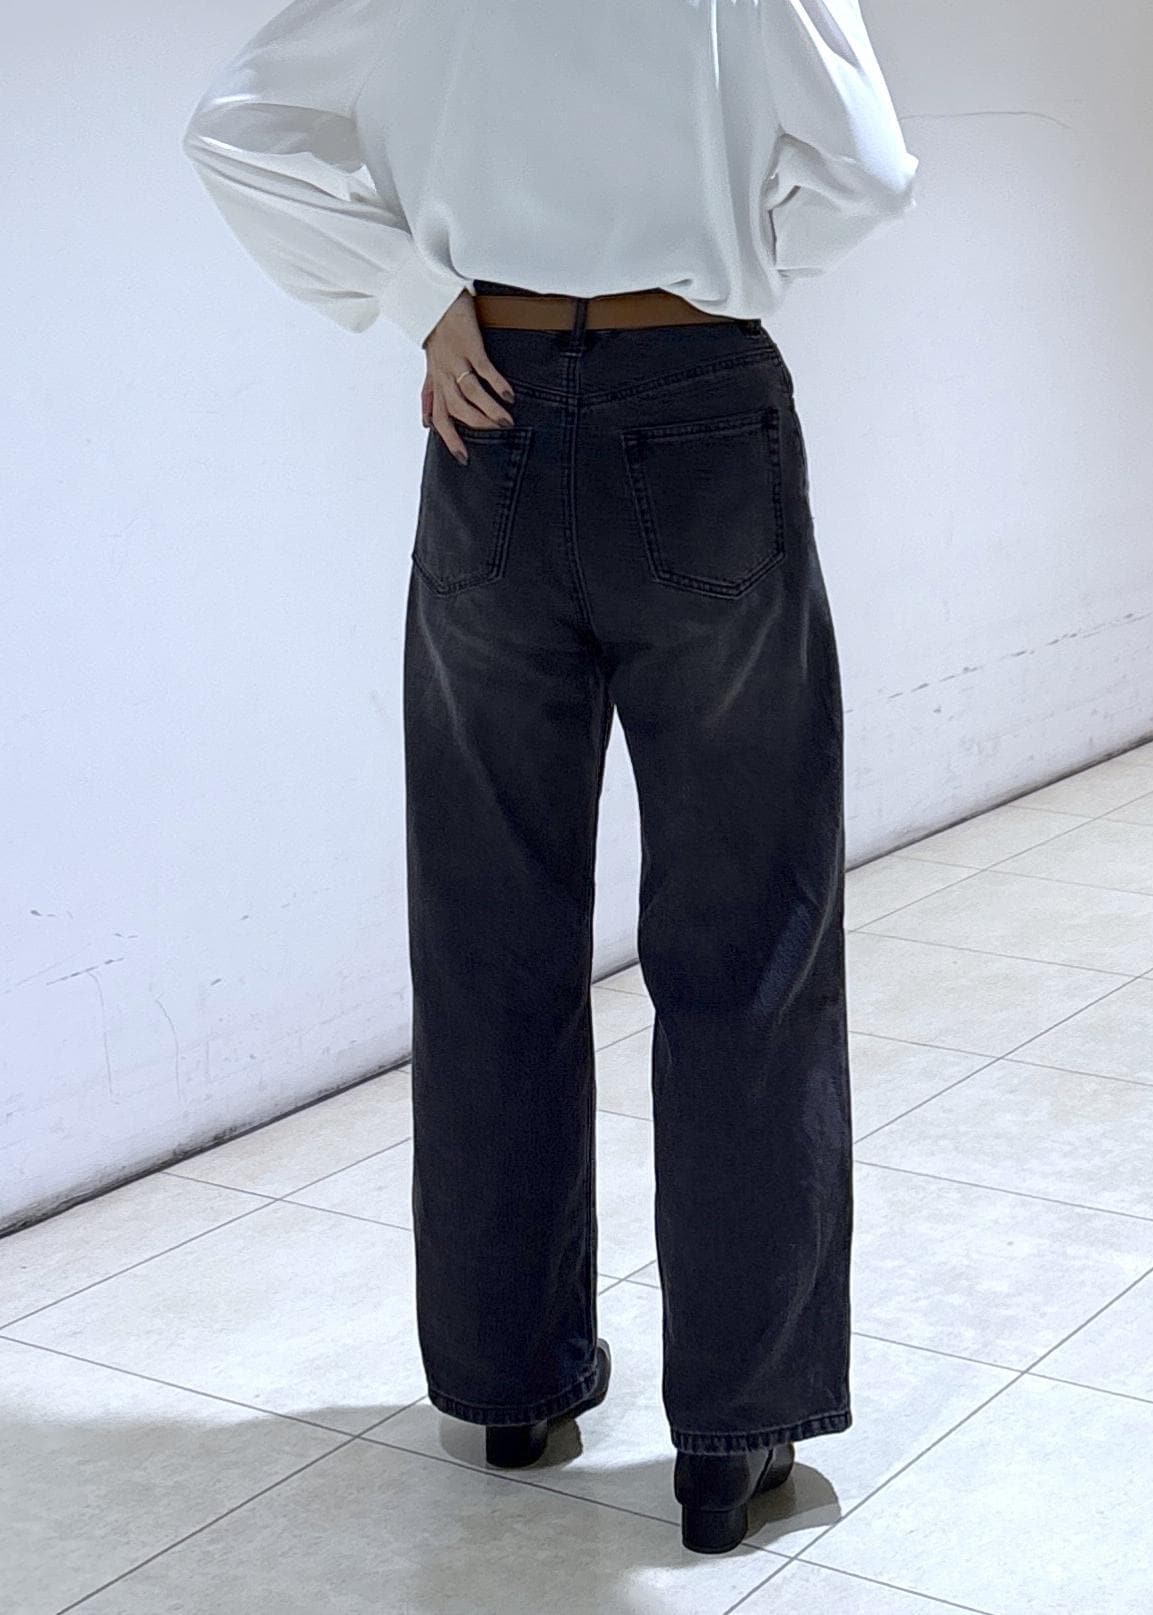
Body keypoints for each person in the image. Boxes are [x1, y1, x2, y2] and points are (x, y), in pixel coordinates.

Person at [183, 0, 918, 1555]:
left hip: (488, 404)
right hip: (696, 401)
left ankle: (505, 1387)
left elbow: (235, 129)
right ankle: (735, 1432)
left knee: (486, 931)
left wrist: (416, 294)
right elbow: (865, 169)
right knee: (747, 937)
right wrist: (729, 270)